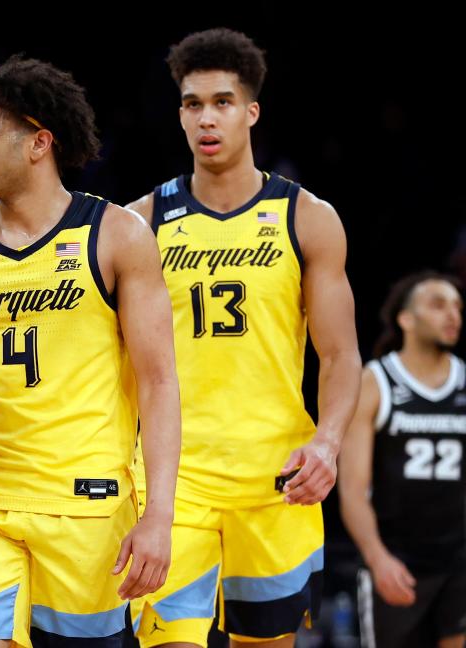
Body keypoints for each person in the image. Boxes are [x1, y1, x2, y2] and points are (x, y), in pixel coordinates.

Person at [0, 54, 181, 647]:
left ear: (39, 142)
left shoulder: (117, 236)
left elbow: (160, 383)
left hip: (87, 505)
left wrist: (160, 514)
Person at [126, 28, 361, 647]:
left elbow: (339, 355)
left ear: (251, 111)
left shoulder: (307, 217)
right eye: (192, 103)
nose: (207, 118)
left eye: (222, 102)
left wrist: (328, 444)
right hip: (172, 480)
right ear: (178, 114)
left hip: (275, 475)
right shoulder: (138, 224)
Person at [339, 271, 466, 648]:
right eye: (438, 305)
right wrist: (378, 559)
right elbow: (353, 490)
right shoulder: (377, 381)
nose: (453, 315)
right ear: (406, 319)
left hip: (457, 559)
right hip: (398, 559)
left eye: (458, 306)